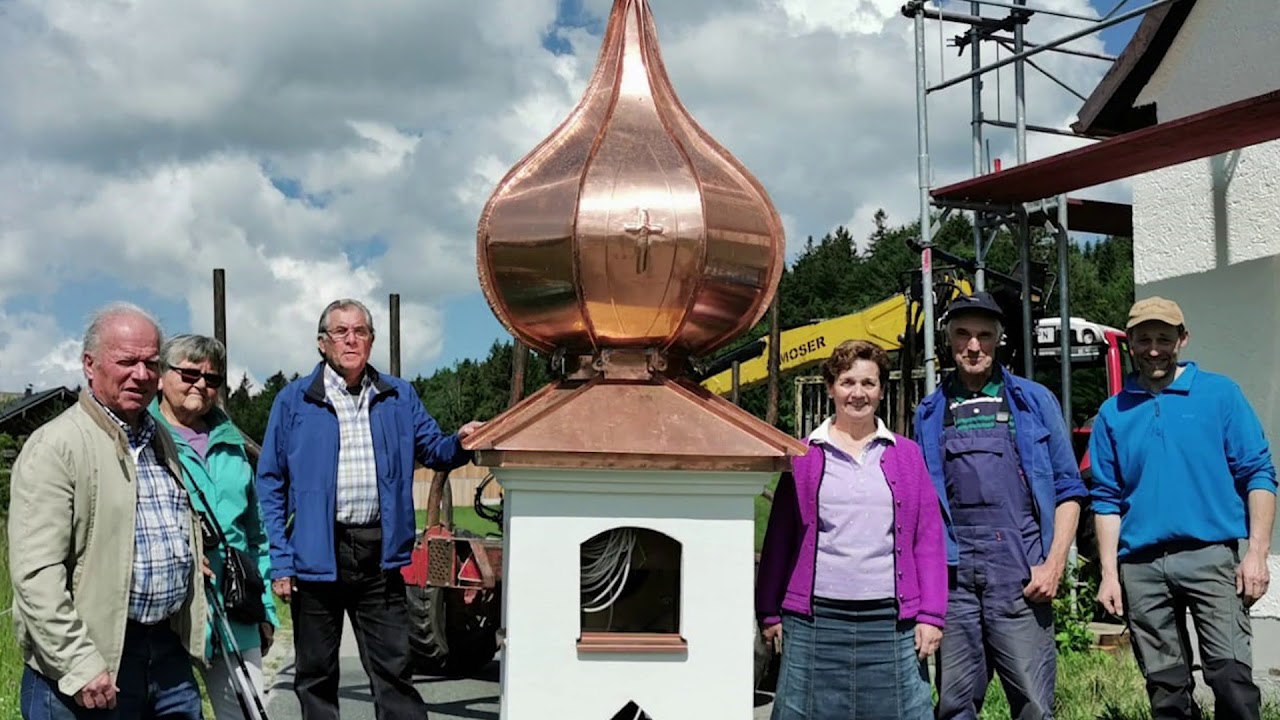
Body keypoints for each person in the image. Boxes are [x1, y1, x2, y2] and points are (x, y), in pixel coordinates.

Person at [256, 298, 482, 719]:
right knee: (316, 674)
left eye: (360, 331)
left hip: (380, 555)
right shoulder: (294, 402)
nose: (351, 339)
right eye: (341, 332)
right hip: (316, 555)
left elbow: (433, 448)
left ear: (372, 341)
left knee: (394, 671)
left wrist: (462, 441)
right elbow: (270, 481)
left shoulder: (397, 395)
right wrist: (280, 560)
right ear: (322, 343)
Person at [9, 303, 208, 719]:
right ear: (89, 364)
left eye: (151, 363)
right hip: (92, 666)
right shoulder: (55, 447)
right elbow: (35, 575)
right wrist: (78, 664)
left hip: (166, 658)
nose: (141, 374)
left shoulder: (160, 441)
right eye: (126, 361)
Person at [1090, 297, 1276, 720]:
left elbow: (1259, 474)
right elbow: (1105, 499)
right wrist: (1107, 574)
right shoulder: (1112, 414)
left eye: (1163, 338)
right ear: (1130, 344)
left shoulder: (1220, 395)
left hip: (1210, 557)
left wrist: (1256, 555)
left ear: (1182, 339)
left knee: (1231, 681)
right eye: (1143, 338)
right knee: (1166, 689)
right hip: (1139, 567)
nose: (1153, 348)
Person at [914, 292, 1087, 720]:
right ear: (948, 340)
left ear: (999, 340)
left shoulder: (1033, 401)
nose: (973, 346)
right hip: (955, 578)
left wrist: (1054, 564)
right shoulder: (929, 412)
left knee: (1032, 702)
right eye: (963, 335)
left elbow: (1069, 489)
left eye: (984, 336)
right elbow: (920, 507)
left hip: (1021, 572)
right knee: (954, 703)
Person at [757, 339, 947, 720]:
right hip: (815, 623)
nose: (857, 394)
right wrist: (769, 612)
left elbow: (927, 538)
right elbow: (780, 538)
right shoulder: (804, 454)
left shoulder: (906, 456)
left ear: (881, 389)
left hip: (891, 623)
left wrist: (931, 615)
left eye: (868, 383)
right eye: (847, 382)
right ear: (830, 388)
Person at [150, 334, 277, 719]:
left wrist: (265, 608)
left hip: (235, 606)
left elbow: (257, 535)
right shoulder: (143, 436)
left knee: (247, 713)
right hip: (168, 614)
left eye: (211, 379)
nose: (200, 385)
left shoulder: (231, 441)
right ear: (160, 376)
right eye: (189, 374)